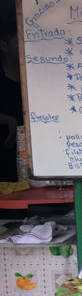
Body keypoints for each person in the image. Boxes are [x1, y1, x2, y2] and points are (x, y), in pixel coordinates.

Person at [0, 22, 22, 182]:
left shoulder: (35, 75)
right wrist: (9, 120)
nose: (23, 47)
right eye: (17, 42)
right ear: (3, 46)